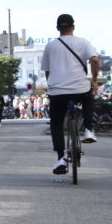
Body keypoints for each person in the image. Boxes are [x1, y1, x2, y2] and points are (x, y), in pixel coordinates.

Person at [41, 13, 100, 175]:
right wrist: (94, 80)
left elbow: (48, 71)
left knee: (57, 123)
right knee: (89, 97)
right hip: (80, 88)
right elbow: (94, 60)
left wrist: (53, 84)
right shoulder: (83, 42)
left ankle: (61, 157)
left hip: (58, 91)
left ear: (58, 28)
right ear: (73, 27)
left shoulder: (50, 46)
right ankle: (88, 129)